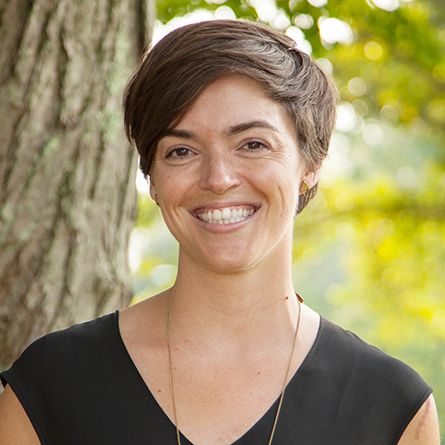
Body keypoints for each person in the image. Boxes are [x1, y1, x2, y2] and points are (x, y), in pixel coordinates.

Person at [0, 19, 440, 445]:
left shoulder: (392, 407)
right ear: (152, 178)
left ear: (310, 163)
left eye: (252, 144)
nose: (218, 178)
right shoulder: (50, 387)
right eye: (181, 150)